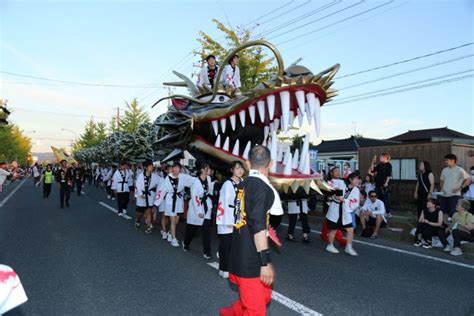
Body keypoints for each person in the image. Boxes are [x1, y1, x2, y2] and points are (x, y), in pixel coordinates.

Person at [220, 146, 275, 316]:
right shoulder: (261, 188)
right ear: (270, 164)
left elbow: (240, 217)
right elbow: (258, 225)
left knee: (265, 297)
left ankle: (231, 313)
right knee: (256, 310)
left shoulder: (242, 185)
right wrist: (264, 262)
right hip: (250, 259)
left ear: (248, 163)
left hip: (243, 251)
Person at [155, 161, 194, 247]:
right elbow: (162, 190)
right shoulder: (167, 178)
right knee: (173, 220)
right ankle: (174, 238)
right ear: (172, 168)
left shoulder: (183, 177)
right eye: (174, 167)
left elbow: (193, 181)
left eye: (178, 167)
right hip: (170, 200)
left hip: (179, 201)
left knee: (176, 221)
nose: (176, 169)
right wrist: (157, 202)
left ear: (180, 169)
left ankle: (170, 232)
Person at [216, 161, 244, 279]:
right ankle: (223, 268)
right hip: (227, 217)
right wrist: (229, 221)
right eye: (237, 168)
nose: (240, 170)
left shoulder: (244, 182)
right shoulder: (228, 184)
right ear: (232, 170)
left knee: (235, 245)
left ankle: (231, 265)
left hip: (239, 217)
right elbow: (224, 203)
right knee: (226, 244)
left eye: (241, 168)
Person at [183, 161, 214, 258]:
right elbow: (195, 197)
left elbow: (209, 191)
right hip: (196, 207)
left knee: (206, 230)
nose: (209, 170)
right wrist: (199, 212)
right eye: (207, 168)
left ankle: (207, 251)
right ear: (202, 170)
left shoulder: (209, 178)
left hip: (206, 206)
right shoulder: (195, 182)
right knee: (192, 229)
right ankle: (186, 243)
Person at [325, 172, 361, 256]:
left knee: (350, 230)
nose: (358, 180)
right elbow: (330, 184)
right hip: (335, 209)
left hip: (345, 211)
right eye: (356, 178)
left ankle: (348, 247)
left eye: (358, 179)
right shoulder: (341, 183)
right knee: (333, 230)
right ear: (350, 179)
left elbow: (355, 203)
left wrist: (344, 200)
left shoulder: (356, 190)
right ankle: (330, 245)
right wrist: (335, 191)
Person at [321, 166, 347, 247]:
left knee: (330, 221)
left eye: (339, 171)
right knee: (335, 223)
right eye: (336, 171)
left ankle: (324, 234)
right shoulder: (330, 182)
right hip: (331, 204)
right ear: (331, 173)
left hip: (341, 204)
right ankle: (340, 239)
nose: (338, 172)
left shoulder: (342, 181)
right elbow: (335, 193)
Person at [439, 154, 471, 220]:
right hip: (444, 195)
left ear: (453, 161)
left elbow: (469, 179)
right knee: (443, 212)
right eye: (445, 160)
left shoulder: (459, 170)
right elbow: (441, 180)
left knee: (453, 213)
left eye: (447, 160)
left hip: (454, 195)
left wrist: (460, 188)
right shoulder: (444, 170)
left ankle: (453, 228)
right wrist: (442, 188)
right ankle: (445, 227)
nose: (445, 161)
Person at [135, 159, 160, 233]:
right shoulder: (140, 176)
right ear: (145, 167)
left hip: (150, 196)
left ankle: (148, 226)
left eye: (152, 166)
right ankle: (137, 220)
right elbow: (138, 185)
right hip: (142, 196)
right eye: (149, 166)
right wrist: (140, 194)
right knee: (140, 212)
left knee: (149, 211)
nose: (151, 167)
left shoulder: (155, 176)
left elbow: (162, 182)